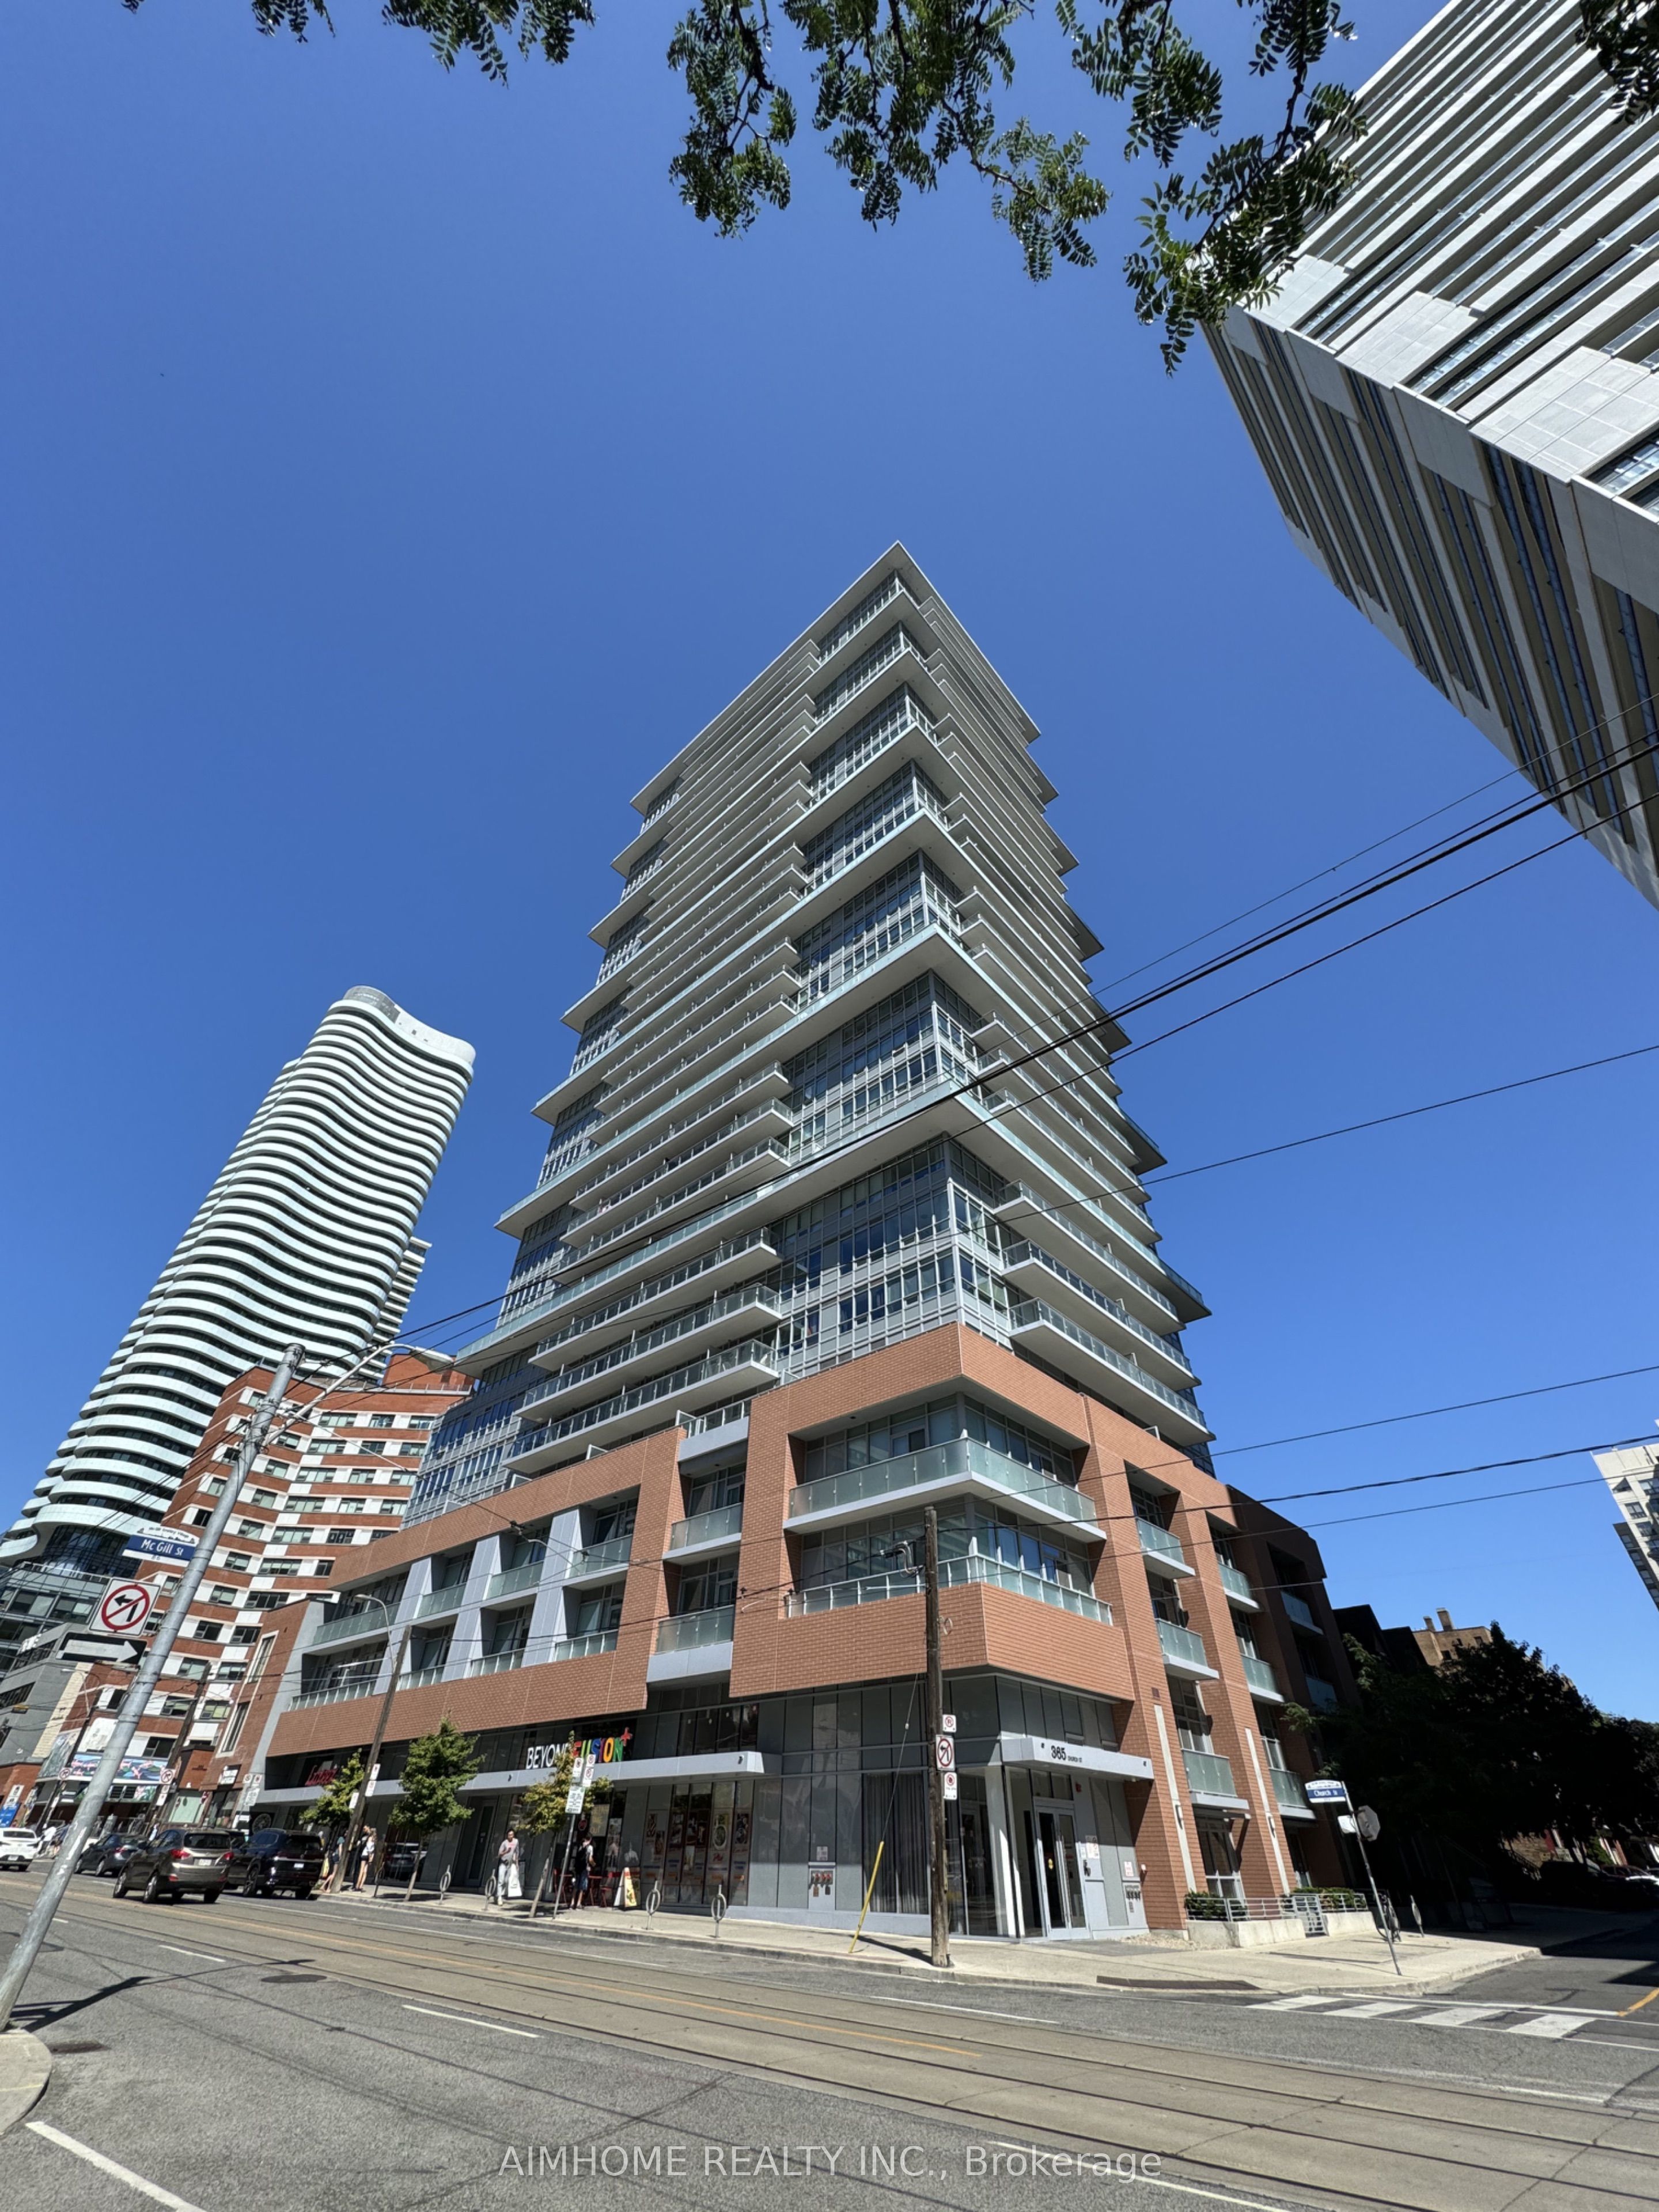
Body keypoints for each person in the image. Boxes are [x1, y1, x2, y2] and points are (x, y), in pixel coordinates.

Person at [497, 1828, 521, 1903]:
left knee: (506, 1881)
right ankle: (499, 1897)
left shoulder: (516, 1842)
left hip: (510, 1864)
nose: (510, 1836)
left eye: (512, 1835)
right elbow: (499, 1854)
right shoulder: (505, 1843)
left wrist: (517, 1863)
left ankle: (501, 1894)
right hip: (503, 1863)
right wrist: (506, 1852)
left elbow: (517, 1852)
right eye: (509, 1835)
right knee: (501, 1881)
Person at [354, 1825, 377, 1890]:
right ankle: (360, 1885)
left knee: (362, 1871)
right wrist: (371, 1858)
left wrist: (370, 1857)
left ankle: (358, 1885)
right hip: (368, 1855)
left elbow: (369, 1849)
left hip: (365, 1855)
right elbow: (371, 1850)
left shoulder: (370, 1838)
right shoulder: (373, 1839)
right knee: (364, 1871)